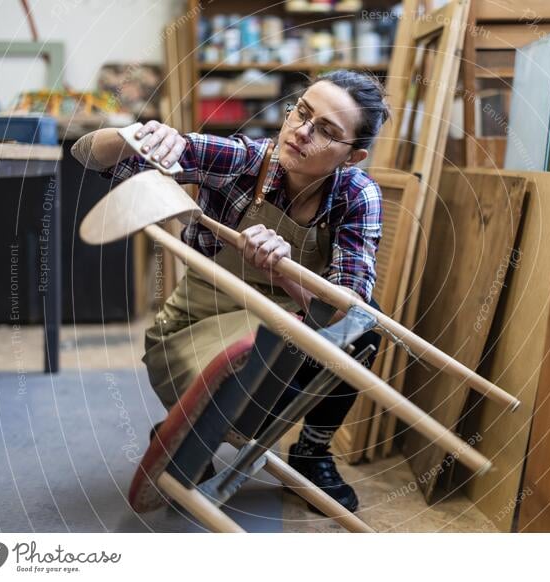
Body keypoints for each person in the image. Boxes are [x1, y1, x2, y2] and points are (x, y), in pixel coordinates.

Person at [71, 70, 390, 513]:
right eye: (302, 112)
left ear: (353, 156)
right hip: (199, 324)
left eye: (326, 131)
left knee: (366, 327)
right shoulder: (242, 160)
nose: (300, 132)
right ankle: (191, 429)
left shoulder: (358, 196)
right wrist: (131, 136)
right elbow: (90, 157)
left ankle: (311, 451)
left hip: (281, 322)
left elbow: (346, 311)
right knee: (254, 362)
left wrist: (286, 275)